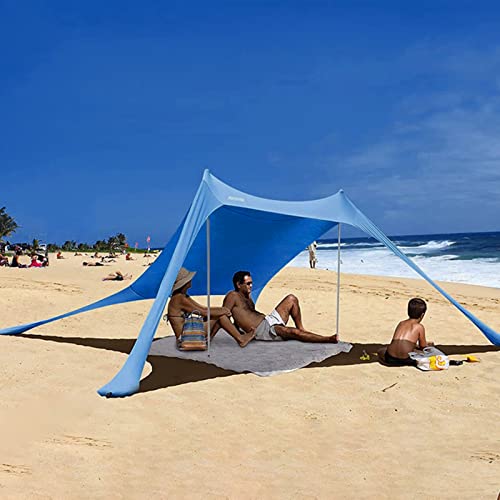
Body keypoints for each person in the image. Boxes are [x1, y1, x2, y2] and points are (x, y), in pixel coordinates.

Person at [223, 271, 338, 343]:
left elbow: (243, 316)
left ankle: (301, 327)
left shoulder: (247, 296)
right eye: (248, 283)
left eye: (251, 283)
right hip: (263, 330)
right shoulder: (232, 296)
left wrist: (239, 327)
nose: (251, 286)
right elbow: (224, 316)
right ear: (238, 284)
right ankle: (326, 339)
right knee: (293, 333)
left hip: (268, 320)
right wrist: (239, 335)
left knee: (291, 299)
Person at [167, 268, 255, 348]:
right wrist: (223, 310)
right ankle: (240, 339)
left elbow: (201, 309)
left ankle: (208, 339)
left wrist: (221, 310)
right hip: (185, 338)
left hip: (187, 333)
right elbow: (203, 311)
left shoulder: (182, 296)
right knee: (220, 316)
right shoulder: (179, 298)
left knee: (218, 315)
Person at [379, 298, 433, 367]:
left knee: (381, 350)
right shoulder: (419, 327)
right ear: (422, 315)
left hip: (390, 357)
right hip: (405, 359)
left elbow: (397, 342)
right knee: (421, 354)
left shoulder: (401, 323)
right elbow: (423, 347)